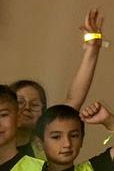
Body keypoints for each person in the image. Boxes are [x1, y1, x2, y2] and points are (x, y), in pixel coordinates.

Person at [11, 9, 108, 155]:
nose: (27, 108)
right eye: (20, 102)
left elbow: (74, 98)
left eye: (35, 105)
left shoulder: (43, 146)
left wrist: (92, 49)